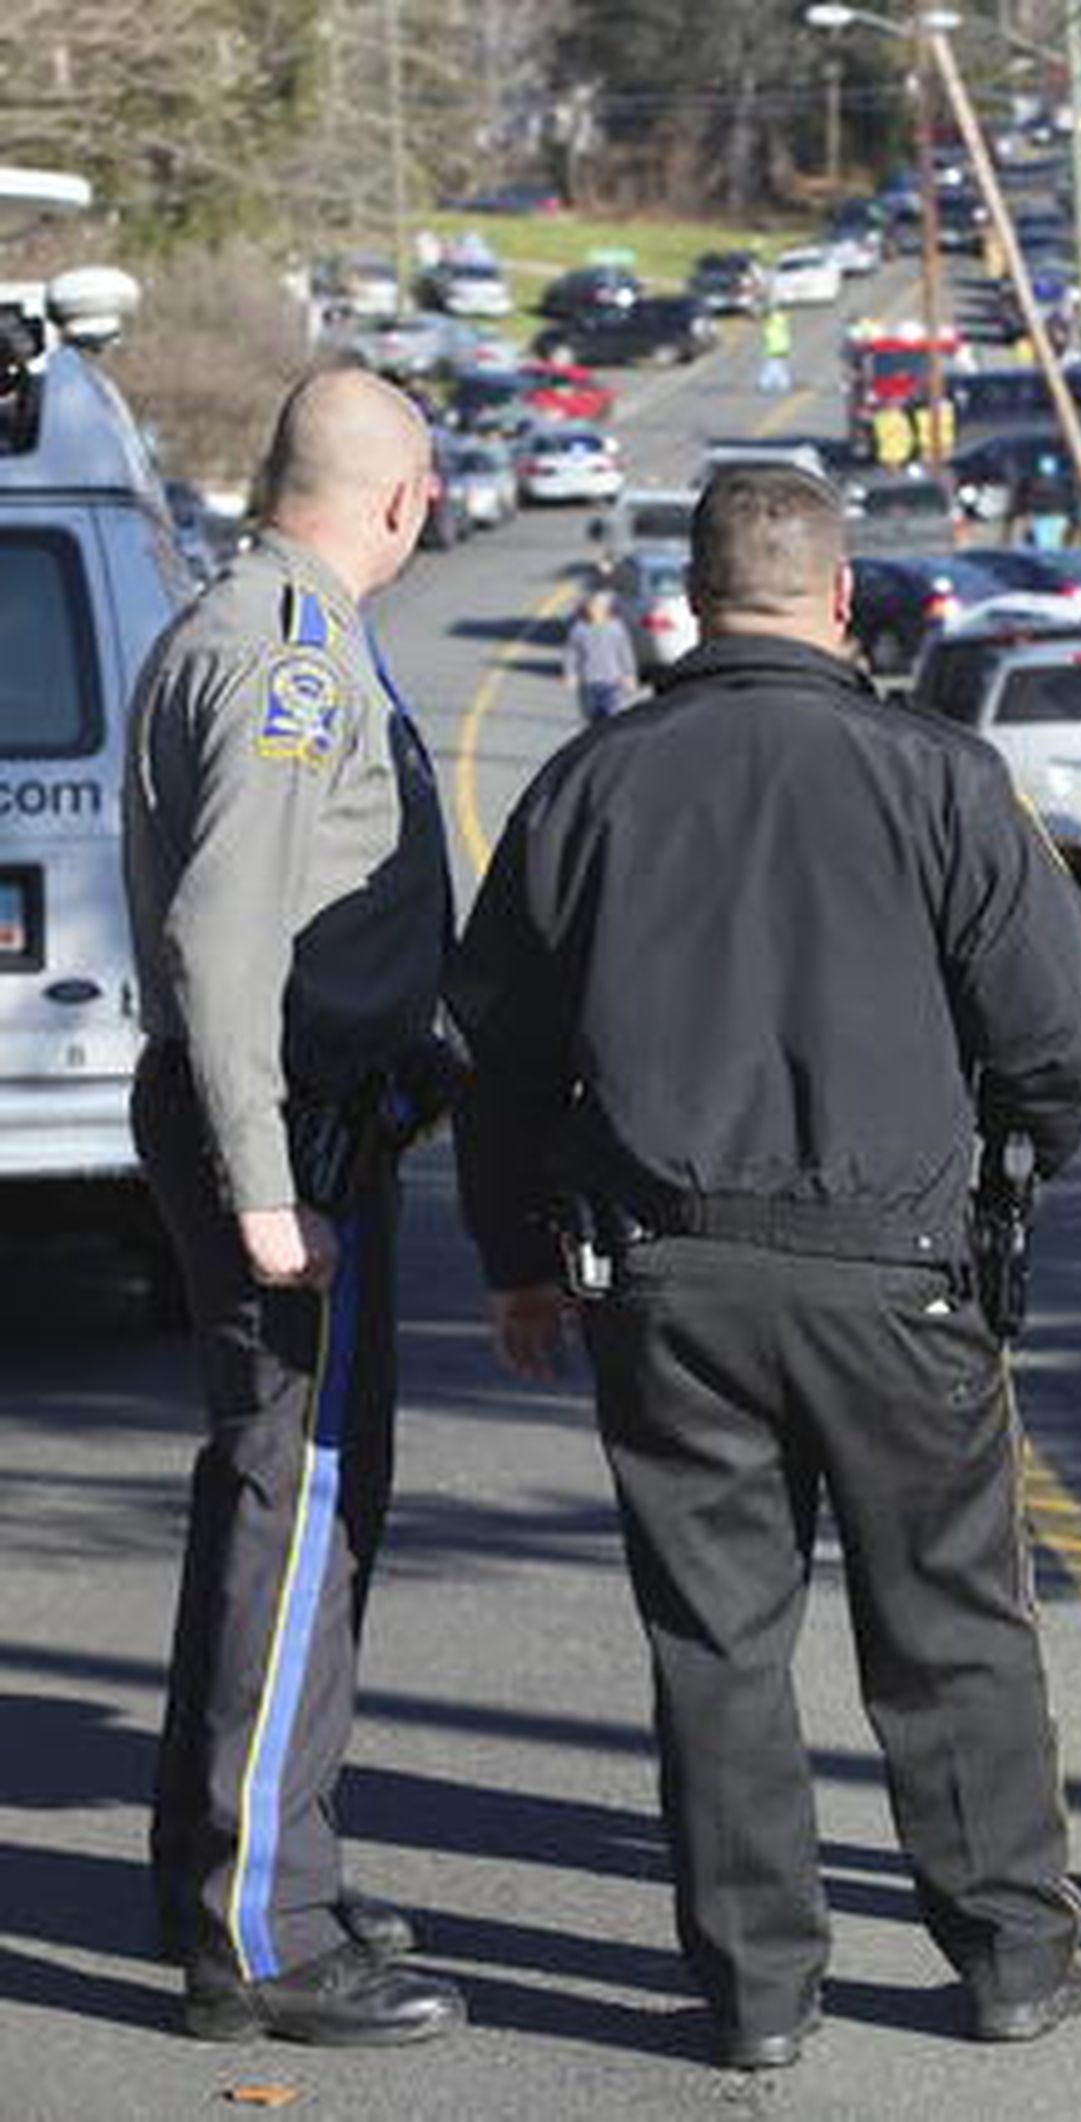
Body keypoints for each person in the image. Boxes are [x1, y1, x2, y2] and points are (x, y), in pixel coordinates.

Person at [447, 466, 1081, 2070]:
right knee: (951, 1617)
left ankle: (757, 1994)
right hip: (900, 1266)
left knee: (720, 1639)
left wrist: (515, 1255)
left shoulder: (589, 783)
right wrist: (1003, 1170)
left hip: (666, 1273)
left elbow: (499, 1053)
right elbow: (1059, 1035)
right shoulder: (939, 776)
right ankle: (1010, 1954)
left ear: (687, 603)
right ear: (839, 601)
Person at [123, 368, 466, 2046]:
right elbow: (225, 932)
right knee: (300, 1511)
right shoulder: (286, 656)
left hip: (305, 1122)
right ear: (401, 500)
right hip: (290, 1141)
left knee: (275, 1499)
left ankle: (245, 1860)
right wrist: (269, 1188)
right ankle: (260, 1927)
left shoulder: (248, 616)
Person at [561, 583, 638, 721]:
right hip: (589, 682)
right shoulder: (579, 629)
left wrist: (629, 675)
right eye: (590, 606)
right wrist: (570, 674)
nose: (593, 610)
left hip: (612, 681)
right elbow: (571, 653)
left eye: (597, 607)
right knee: (591, 718)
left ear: (605, 609)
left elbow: (625, 653)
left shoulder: (616, 628)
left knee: (612, 718)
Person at [758, 303, 794, 394]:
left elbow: (767, 335)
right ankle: (783, 384)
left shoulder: (771, 322)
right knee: (777, 366)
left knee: (773, 366)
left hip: (774, 347)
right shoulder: (778, 319)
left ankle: (766, 384)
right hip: (782, 347)